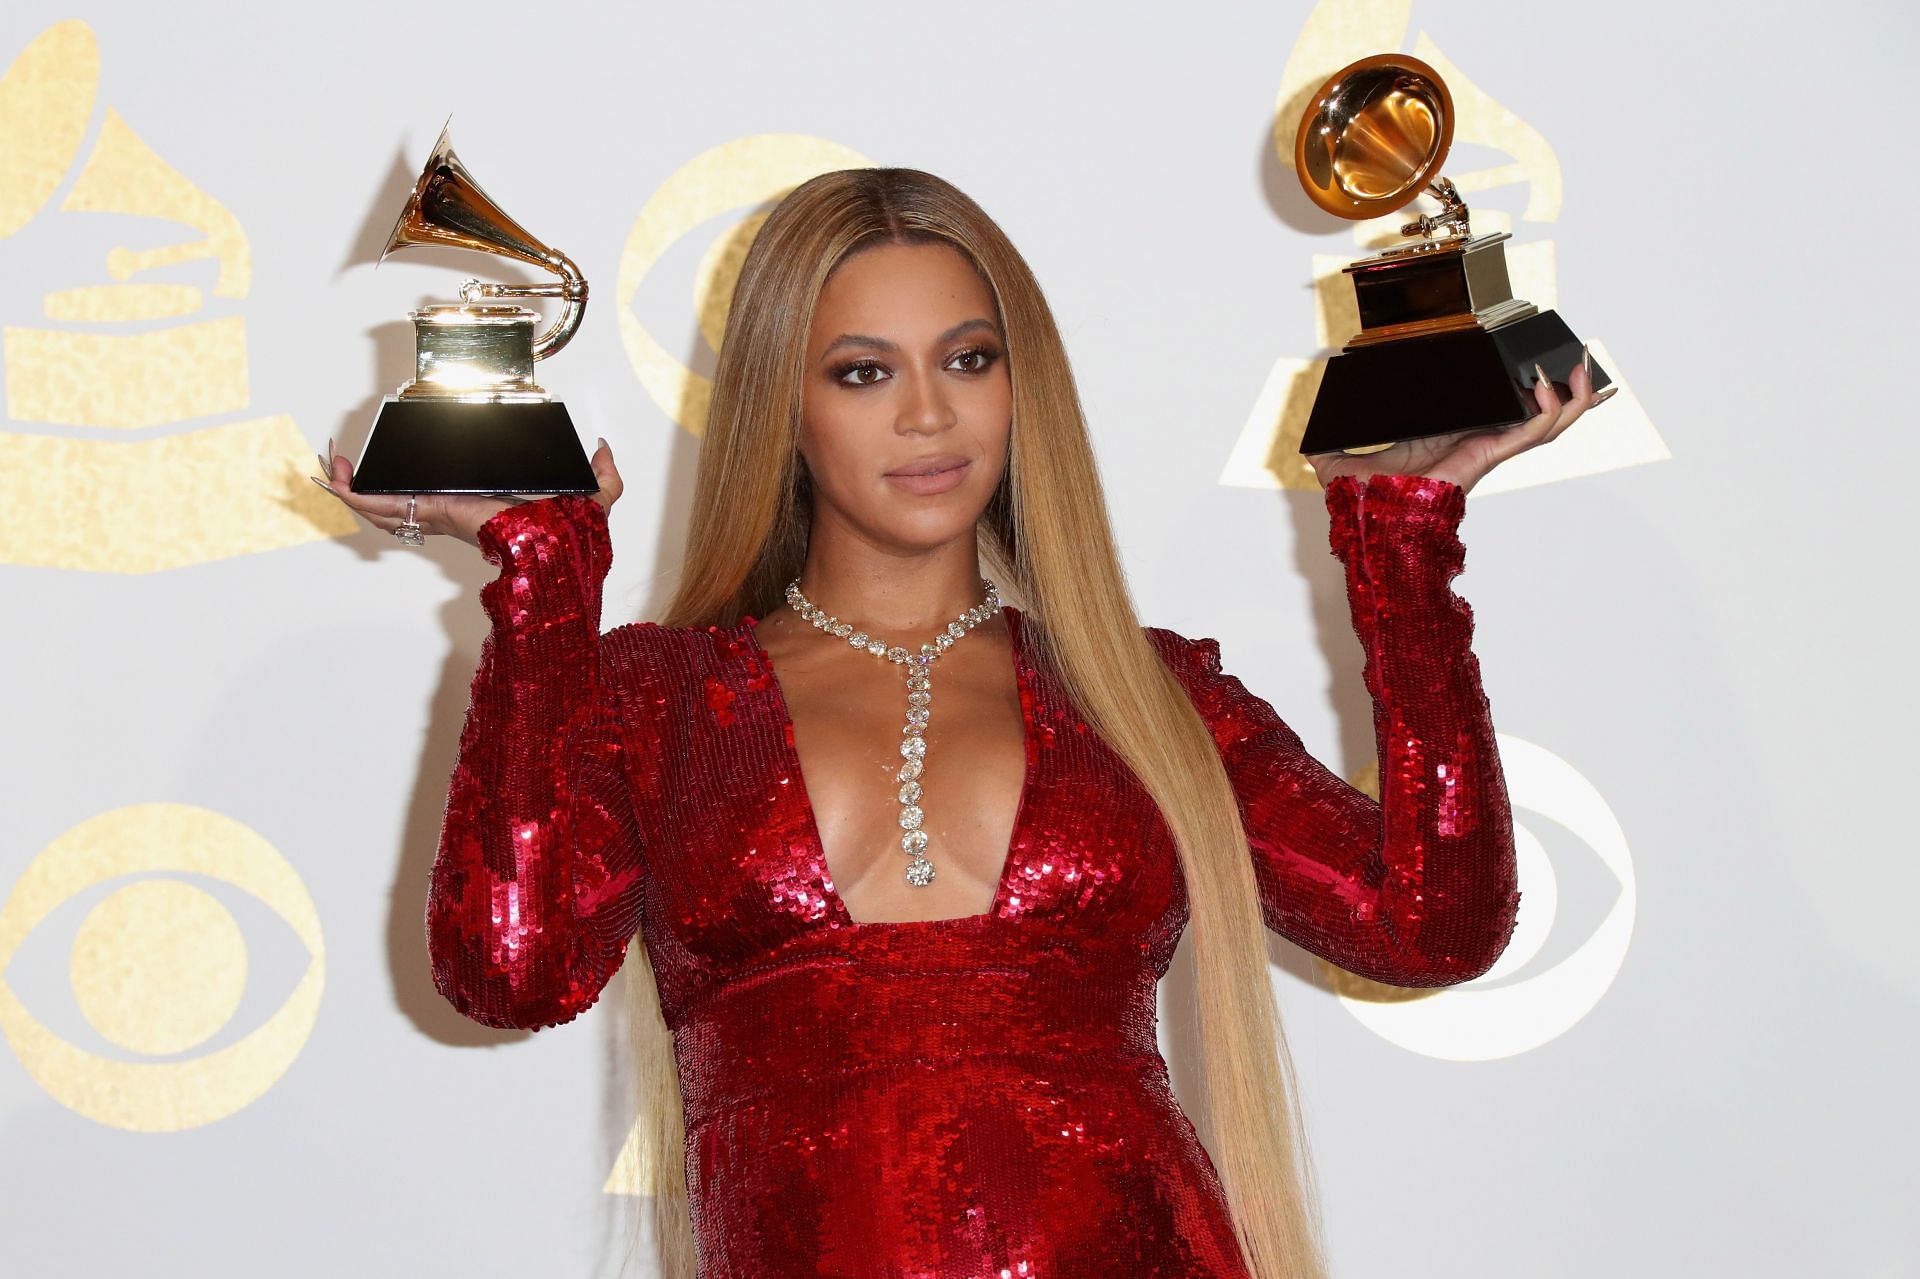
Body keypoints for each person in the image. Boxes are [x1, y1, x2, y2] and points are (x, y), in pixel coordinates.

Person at [316, 167, 1610, 1279]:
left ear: (1018, 384)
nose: (928, 415)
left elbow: (1429, 924)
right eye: (864, 371)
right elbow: (509, 971)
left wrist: (1404, 545)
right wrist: (542, 586)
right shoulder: (655, 699)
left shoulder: (1146, 694)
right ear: (787, 406)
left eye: (968, 360)